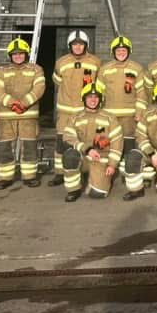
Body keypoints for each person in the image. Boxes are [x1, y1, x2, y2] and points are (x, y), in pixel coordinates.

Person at [0, 38, 46, 189]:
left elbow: (39, 88)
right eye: (15, 54)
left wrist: (24, 103)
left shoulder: (36, 69)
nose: (18, 56)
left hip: (28, 115)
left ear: (26, 54)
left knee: (29, 146)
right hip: (7, 116)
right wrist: (11, 103)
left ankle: (29, 176)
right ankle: (5, 178)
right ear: (10, 56)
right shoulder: (2, 71)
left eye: (21, 54)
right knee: (5, 147)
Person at [50, 30, 101, 187]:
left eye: (80, 44)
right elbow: (58, 83)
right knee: (61, 143)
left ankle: (85, 171)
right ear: (69, 46)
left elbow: (98, 86)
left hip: (84, 111)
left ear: (86, 45)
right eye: (74, 44)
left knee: (85, 141)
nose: (77, 47)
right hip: (65, 111)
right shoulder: (61, 62)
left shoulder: (95, 62)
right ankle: (60, 173)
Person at [61, 81, 123, 202]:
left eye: (96, 97)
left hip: (101, 160)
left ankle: (92, 179)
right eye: (90, 97)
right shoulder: (75, 117)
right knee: (70, 156)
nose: (93, 100)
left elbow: (117, 142)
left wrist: (112, 164)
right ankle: (74, 190)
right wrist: (87, 149)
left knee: (97, 194)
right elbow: (68, 137)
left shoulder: (110, 118)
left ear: (100, 99)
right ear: (84, 99)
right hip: (83, 157)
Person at [97, 36, 148, 181]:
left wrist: (139, 113)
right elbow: (98, 94)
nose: (121, 52)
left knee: (128, 145)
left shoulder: (136, 68)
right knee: (108, 145)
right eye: (118, 50)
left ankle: (128, 172)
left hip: (129, 116)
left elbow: (141, 94)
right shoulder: (105, 69)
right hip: (109, 116)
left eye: (124, 50)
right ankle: (110, 173)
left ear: (129, 51)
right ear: (113, 52)